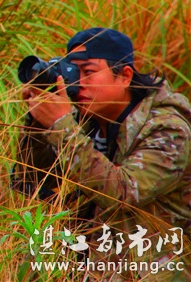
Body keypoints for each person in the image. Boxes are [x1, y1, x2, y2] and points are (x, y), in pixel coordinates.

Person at [20, 28, 191, 271]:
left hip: (155, 267)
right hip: (91, 260)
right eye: (72, 72)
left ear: (124, 76)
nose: (78, 83)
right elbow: (33, 181)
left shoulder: (168, 129)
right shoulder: (83, 120)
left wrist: (62, 127)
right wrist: (39, 122)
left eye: (88, 72)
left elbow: (123, 195)